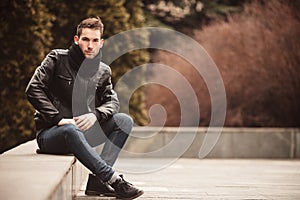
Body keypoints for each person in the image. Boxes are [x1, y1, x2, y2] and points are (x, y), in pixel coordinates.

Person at [25, 17, 144, 199]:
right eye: (85, 39)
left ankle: (98, 181)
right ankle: (113, 180)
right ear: (76, 40)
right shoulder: (57, 58)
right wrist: (58, 119)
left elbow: (112, 102)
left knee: (124, 121)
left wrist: (95, 115)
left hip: (82, 131)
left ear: (101, 43)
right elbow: (33, 89)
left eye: (95, 40)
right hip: (52, 134)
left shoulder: (103, 71)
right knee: (70, 129)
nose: (90, 45)